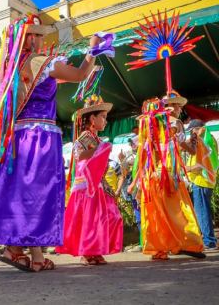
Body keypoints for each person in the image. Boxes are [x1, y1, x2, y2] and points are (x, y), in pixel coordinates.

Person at [0, 14, 103, 272]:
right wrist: (93, 49)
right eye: (40, 35)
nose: (43, 40)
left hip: (16, 138)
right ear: (30, 38)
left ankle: (23, 251)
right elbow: (80, 74)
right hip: (41, 136)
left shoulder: (7, 68)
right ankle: (29, 254)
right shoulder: (42, 62)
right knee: (39, 194)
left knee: (20, 193)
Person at [128, 98, 204, 260]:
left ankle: (177, 244)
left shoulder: (170, 131)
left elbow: (190, 150)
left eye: (179, 106)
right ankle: (168, 246)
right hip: (159, 177)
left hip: (169, 177)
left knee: (172, 212)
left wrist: (194, 140)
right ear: (167, 108)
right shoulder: (156, 129)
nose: (178, 109)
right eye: (175, 105)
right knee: (168, 212)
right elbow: (145, 157)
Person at [59, 95, 123, 265]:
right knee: (91, 218)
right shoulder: (84, 138)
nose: (105, 121)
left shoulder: (97, 139)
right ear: (92, 118)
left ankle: (95, 249)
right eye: (103, 117)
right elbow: (80, 156)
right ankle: (87, 252)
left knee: (108, 216)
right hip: (86, 186)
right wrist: (100, 150)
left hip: (98, 184)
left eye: (105, 117)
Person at [185, 119, 218, 250]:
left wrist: (186, 168)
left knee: (202, 212)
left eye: (192, 131)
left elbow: (198, 167)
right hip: (207, 181)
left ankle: (209, 241)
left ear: (197, 129)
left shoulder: (202, 142)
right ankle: (209, 239)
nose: (191, 135)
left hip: (201, 181)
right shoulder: (210, 140)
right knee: (204, 211)